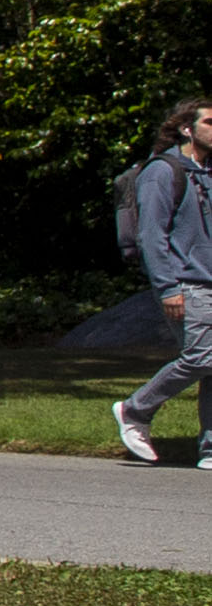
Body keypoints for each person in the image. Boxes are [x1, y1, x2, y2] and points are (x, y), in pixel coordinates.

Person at [109, 97, 212, 463]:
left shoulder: (208, 171)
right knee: (202, 356)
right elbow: (152, 236)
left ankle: (210, 448)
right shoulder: (162, 171)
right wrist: (168, 287)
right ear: (188, 129)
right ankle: (135, 410)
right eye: (211, 123)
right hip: (185, 283)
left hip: (209, 281)